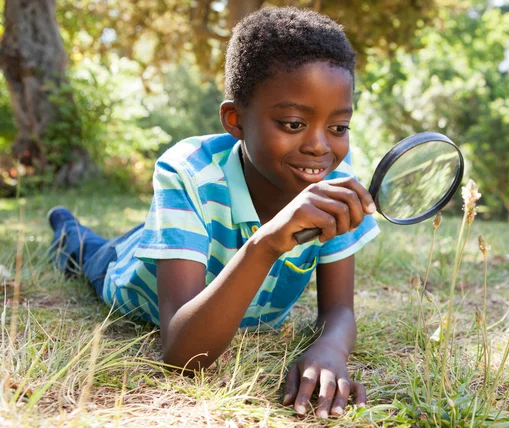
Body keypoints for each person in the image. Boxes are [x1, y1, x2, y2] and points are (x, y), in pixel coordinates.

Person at [48, 7, 380, 419]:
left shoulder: (335, 183)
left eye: (338, 127)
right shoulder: (188, 171)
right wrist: (266, 242)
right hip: (127, 273)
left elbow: (339, 310)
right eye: (293, 123)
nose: (319, 147)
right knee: (85, 251)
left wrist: (329, 349)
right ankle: (66, 227)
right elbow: (182, 354)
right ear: (235, 120)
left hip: (194, 242)